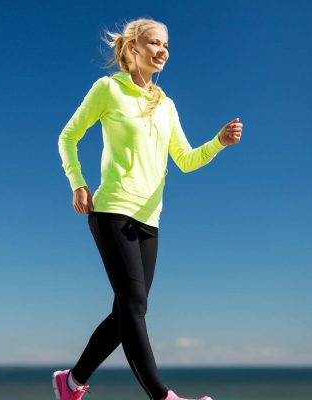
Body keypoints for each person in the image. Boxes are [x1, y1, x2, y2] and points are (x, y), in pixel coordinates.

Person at [52, 18, 242, 400]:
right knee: (134, 305)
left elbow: (185, 160)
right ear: (133, 48)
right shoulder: (108, 89)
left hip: (149, 219)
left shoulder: (167, 106)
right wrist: (78, 182)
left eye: (166, 46)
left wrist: (218, 142)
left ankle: (70, 382)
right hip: (113, 210)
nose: (162, 51)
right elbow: (68, 137)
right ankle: (162, 395)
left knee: (127, 311)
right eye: (154, 43)